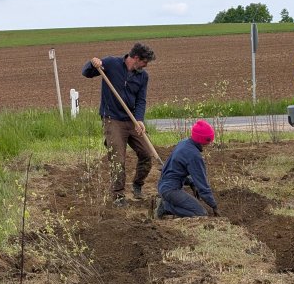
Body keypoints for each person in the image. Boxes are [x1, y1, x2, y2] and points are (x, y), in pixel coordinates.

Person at [82, 43, 156, 206]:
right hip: (113, 119)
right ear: (136, 58)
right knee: (118, 158)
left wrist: (139, 119)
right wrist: (92, 63)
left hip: (131, 120)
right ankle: (118, 195)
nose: (146, 65)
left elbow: (141, 100)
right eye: (145, 62)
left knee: (146, 153)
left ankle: (137, 184)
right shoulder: (110, 63)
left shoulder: (143, 76)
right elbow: (86, 72)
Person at [156, 120, 219, 218]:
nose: (210, 144)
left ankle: (167, 204)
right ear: (203, 140)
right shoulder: (194, 155)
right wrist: (214, 205)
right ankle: (166, 207)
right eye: (209, 141)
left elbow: (176, 170)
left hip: (163, 185)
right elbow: (202, 185)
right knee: (201, 214)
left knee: (194, 208)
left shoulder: (184, 143)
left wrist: (191, 183)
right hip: (171, 190)